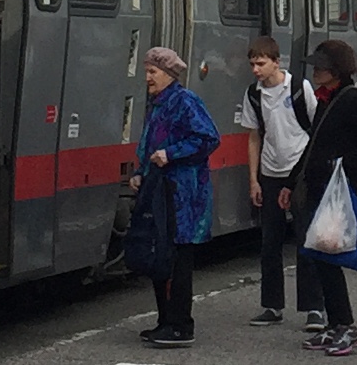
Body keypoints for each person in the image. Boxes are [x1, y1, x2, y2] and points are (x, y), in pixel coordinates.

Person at [284, 40, 357, 356]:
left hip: (336, 191)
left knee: (329, 258)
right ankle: (334, 325)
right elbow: (313, 146)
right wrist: (290, 182)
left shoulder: (353, 100)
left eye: (320, 66)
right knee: (319, 257)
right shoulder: (329, 99)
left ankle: (346, 326)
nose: (315, 70)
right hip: (317, 188)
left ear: (335, 69)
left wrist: (343, 163)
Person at [126, 48, 220, 346]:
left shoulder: (185, 101)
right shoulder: (159, 104)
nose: (147, 77)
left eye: (152, 72)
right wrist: (140, 170)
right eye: (146, 71)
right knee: (161, 255)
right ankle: (166, 321)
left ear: (168, 74)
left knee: (177, 258)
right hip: (162, 189)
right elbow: (148, 143)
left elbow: (208, 138)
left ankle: (180, 325)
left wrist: (171, 154)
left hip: (183, 195)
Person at [234, 40, 316, 327]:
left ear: (275, 62)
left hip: (300, 172)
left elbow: (315, 127)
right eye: (252, 64)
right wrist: (253, 179)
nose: (256, 70)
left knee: (306, 239)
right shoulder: (253, 95)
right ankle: (272, 305)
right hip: (270, 172)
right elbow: (254, 137)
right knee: (270, 242)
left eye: (261, 63)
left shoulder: (298, 88)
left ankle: (313, 308)